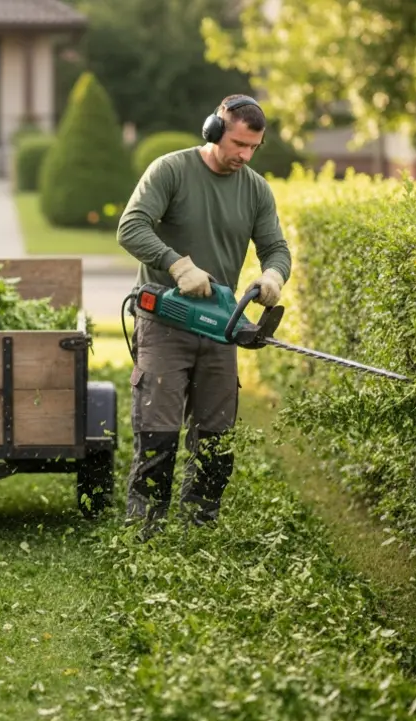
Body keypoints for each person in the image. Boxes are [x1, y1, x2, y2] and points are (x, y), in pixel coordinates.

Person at [115, 94, 293, 539]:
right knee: (157, 431)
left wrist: (272, 276)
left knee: (216, 438)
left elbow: (276, 248)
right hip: (165, 320)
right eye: (237, 143)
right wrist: (177, 264)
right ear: (214, 129)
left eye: (253, 147)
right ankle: (145, 531)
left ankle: (199, 528)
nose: (244, 155)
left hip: (218, 326)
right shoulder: (170, 171)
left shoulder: (255, 189)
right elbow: (130, 226)